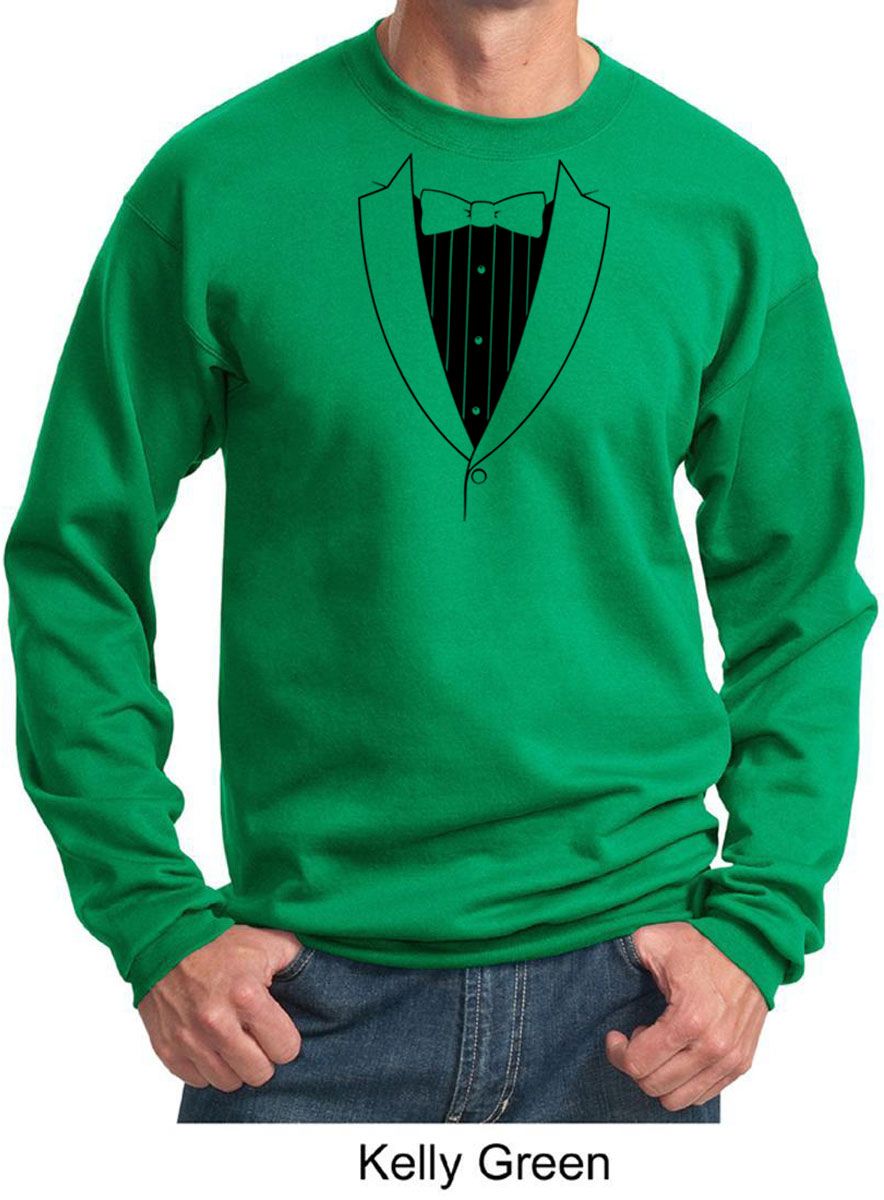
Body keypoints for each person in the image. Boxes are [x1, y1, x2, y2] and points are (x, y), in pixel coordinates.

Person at [5, 0, 876, 1124]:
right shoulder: (219, 180)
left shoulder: (723, 198)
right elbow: (74, 556)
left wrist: (758, 926)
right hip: (295, 1011)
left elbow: (801, 589)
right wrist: (152, 918)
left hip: (632, 1001)